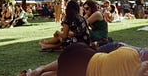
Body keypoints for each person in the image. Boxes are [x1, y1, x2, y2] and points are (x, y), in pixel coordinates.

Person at [19, 42, 148, 76]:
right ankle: (38, 71)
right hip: (85, 60)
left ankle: (38, 71)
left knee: (59, 71)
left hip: (84, 58)